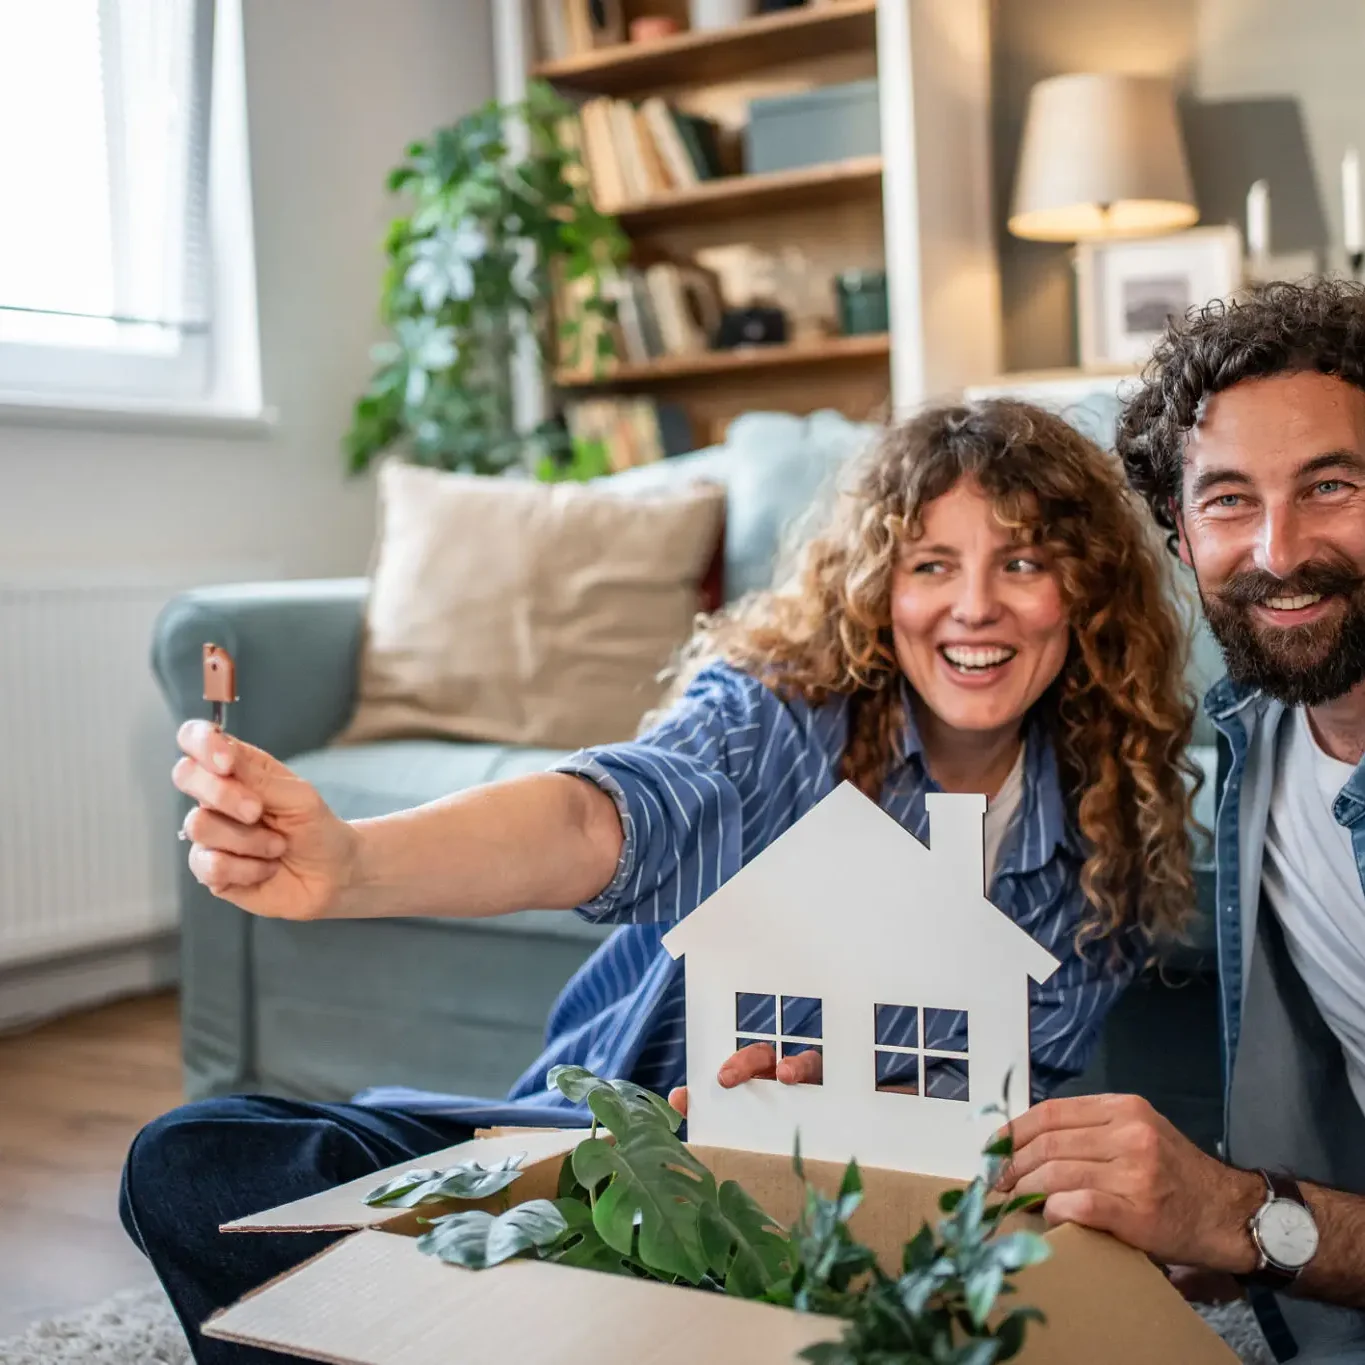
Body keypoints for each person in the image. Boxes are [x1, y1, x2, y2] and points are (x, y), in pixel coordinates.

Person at [121, 400, 1200, 1363]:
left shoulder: (1102, 828)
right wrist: (358, 863)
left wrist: (871, 1118)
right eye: (930, 564)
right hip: (591, 1165)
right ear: (880, 586)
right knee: (195, 1164)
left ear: (1084, 593)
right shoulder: (785, 717)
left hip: (831, 1236)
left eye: (1021, 563)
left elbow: (1013, 1136)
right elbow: (607, 815)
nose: (974, 607)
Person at [994, 280, 1365, 1364]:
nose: (1279, 552)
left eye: (1332, 485)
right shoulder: (1262, 733)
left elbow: (1249, 1217)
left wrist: (1245, 1218)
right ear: (1179, 528)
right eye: (1230, 501)